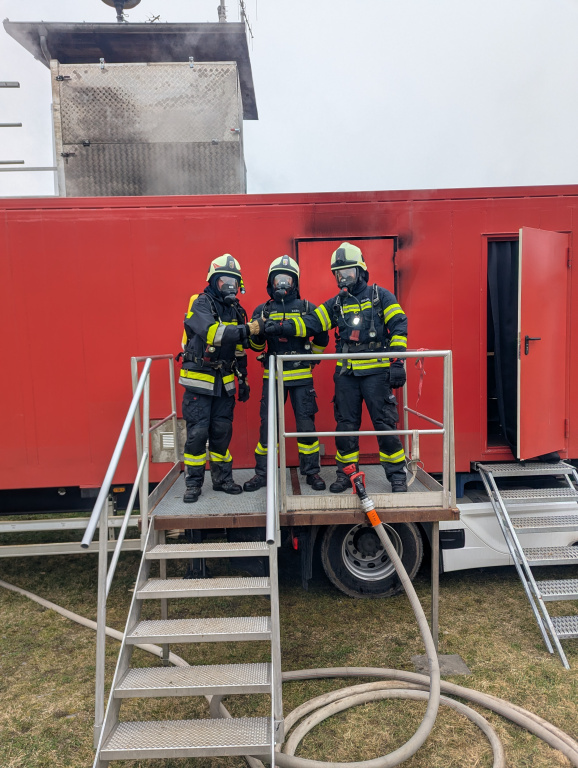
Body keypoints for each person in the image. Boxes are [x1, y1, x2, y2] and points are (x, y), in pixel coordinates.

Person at [265, 242, 408, 493]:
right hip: (346, 375)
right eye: (339, 274)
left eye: (348, 272)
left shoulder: (380, 296)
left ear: (360, 271)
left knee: (384, 425)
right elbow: (311, 322)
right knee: (345, 427)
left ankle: (397, 476)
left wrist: (398, 361)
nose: (344, 278)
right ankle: (346, 475)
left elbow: (399, 324)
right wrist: (281, 327)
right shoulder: (336, 304)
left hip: (377, 374)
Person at [179, 254, 262, 503]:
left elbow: (239, 349)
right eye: (224, 280)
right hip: (199, 380)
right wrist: (248, 329)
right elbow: (212, 333)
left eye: (233, 282)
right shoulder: (201, 303)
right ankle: (193, 484)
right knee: (197, 434)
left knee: (221, 432)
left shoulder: (235, 310)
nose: (229, 286)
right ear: (213, 281)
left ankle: (223, 480)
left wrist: (243, 379)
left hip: (224, 382)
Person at [243, 255, 329, 492]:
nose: (282, 284)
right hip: (273, 378)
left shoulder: (307, 308)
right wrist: (259, 334)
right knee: (268, 427)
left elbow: (322, 335)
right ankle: (263, 473)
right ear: (270, 282)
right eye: (278, 279)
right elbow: (257, 348)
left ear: (295, 282)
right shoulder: (262, 310)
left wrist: (313, 358)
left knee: (306, 426)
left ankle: (311, 473)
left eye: (287, 279)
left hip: (301, 379)